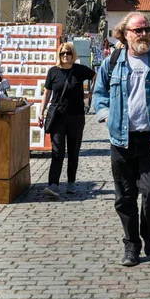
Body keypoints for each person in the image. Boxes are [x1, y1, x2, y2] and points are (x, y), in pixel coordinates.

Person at [93, 14, 150, 267]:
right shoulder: (112, 62)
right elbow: (99, 93)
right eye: (138, 30)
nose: (144, 33)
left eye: (146, 29)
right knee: (125, 196)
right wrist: (105, 115)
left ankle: (149, 235)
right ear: (125, 34)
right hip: (121, 140)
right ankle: (131, 245)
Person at [39, 43, 96, 197]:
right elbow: (47, 93)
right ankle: (53, 184)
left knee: (73, 150)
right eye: (63, 53)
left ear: (73, 54)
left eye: (68, 53)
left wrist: (90, 93)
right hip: (58, 117)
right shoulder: (53, 72)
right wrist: (41, 111)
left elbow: (96, 75)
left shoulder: (79, 70)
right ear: (59, 54)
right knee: (57, 151)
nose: (66, 56)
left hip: (76, 117)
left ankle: (71, 182)